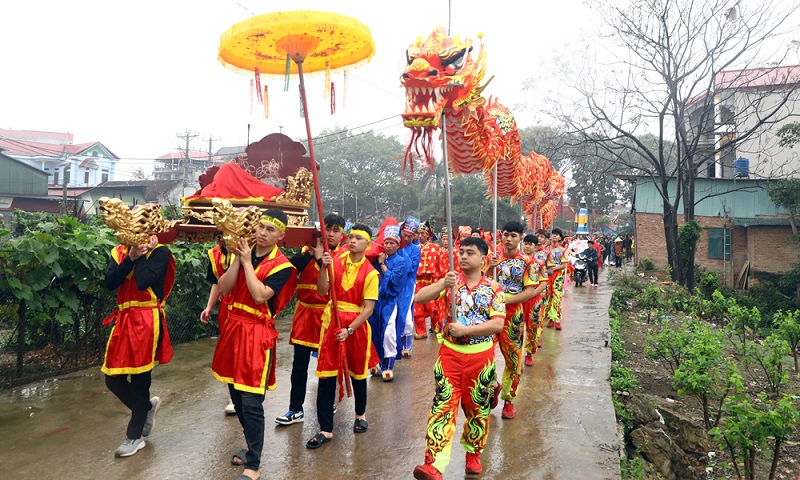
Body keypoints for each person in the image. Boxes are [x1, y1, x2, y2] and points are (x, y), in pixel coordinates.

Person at [211, 208, 297, 480]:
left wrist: (248, 263)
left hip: (256, 335)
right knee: (236, 397)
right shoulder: (243, 254)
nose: (262, 232)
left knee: (251, 401)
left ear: (281, 235)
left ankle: (254, 465)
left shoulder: (283, 266)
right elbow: (224, 288)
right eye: (260, 227)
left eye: (270, 230)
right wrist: (238, 260)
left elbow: (260, 296)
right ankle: (251, 448)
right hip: (233, 329)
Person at [412, 237, 505, 480]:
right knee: (442, 408)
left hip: (480, 360)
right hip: (449, 357)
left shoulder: (493, 288)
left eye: (470, 253)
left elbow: (497, 324)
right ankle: (434, 464)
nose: (463, 256)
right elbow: (420, 298)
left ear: (483, 259)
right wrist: (443, 282)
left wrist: (466, 331)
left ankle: (473, 453)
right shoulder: (451, 282)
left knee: (477, 411)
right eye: (461, 252)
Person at [306, 224, 380, 449]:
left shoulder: (371, 273)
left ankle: (360, 415)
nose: (353, 241)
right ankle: (325, 429)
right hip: (332, 324)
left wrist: (349, 329)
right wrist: (322, 267)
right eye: (352, 237)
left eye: (359, 238)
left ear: (367, 244)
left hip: (355, 328)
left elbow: (368, 309)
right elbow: (321, 291)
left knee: (358, 373)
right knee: (326, 374)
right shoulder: (334, 262)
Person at [102, 234, 174, 458]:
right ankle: (146, 408)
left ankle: (135, 437)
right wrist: (129, 258)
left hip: (147, 320)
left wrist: (139, 256)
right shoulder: (119, 252)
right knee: (112, 378)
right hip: (124, 320)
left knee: (141, 379)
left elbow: (143, 282)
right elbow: (109, 282)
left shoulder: (160, 252)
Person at [275, 213, 346, 426]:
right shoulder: (306, 251)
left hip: (327, 315)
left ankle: (327, 402)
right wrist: (312, 254)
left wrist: (320, 259)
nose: (330, 234)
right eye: (327, 229)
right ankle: (295, 409)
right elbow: (289, 267)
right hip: (305, 314)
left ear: (342, 235)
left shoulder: (342, 256)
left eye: (335, 231)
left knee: (327, 364)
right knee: (299, 365)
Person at [486, 221, 538, 419]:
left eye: (513, 235)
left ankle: (509, 400)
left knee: (513, 360)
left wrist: (503, 299)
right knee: (483, 356)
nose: (508, 238)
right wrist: (490, 269)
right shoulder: (492, 257)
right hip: (489, 316)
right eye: (505, 234)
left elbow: (529, 292)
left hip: (513, 317)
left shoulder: (528, 262)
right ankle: (492, 387)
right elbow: (481, 280)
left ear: (520, 238)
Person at [368, 224, 410, 381]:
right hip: (375, 301)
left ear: (398, 245)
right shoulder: (377, 259)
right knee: (374, 331)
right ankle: (376, 363)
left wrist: (382, 265)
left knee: (389, 333)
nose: (388, 246)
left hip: (391, 301)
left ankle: (388, 366)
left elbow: (396, 281)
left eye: (392, 243)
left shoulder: (401, 261)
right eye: (386, 243)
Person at [200, 238, 236, 415]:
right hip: (226, 308)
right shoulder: (215, 253)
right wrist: (209, 306)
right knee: (229, 350)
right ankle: (233, 396)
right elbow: (216, 283)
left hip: (248, 306)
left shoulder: (250, 249)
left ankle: (248, 390)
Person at [414, 221, 445, 338]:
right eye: (419, 233)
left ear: (428, 235)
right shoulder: (414, 249)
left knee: (433, 305)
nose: (421, 236)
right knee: (418, 308)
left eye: (423, 233)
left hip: (431, 280)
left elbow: (441, 264)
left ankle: (437, 326)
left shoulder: (436, 248)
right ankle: (421, 331)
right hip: (417, 281)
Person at [521, 234, 548, 367]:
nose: (527, 246)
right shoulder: (517, 262)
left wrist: (531, 294)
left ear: (535, 247)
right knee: (515, 329)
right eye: (525, 243)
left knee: (532, 327)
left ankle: (529, 354)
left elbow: (543, 283)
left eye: (530, 244)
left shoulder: (539, 264)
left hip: (534, 300)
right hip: (518, 300)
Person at [397, 216, 421, 357]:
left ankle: (407, 346)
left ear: (414, 237)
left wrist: (403, 249)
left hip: (407, 286)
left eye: (409, 236)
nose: (405, 238)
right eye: (404, 235)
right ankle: (396, 344)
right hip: (395, 285)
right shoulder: (395, 246)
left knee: (405, 315)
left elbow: (411, 268)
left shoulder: (415, 250)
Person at [545, 228, 568, 331]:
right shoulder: (545, 250)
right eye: (553, 234)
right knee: (547, 297)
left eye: (557, 234)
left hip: (557, 277)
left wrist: (553, 269)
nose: (554, 236)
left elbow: (563, 265)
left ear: (560, 238)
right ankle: (550, 318)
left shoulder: (562, 251)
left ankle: (557, 320)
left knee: (557, 297)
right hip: (546, 276)